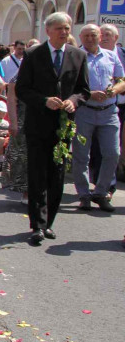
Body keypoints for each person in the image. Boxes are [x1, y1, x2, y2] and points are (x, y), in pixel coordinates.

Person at [15, 12, 90, 245]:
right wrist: (43, 100)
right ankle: (37, 225)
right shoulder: (33, 54)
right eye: (59, 28)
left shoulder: (78, 55)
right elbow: (22, 89)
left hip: (62, 126)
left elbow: (83, 90)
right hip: (38, 123)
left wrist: (73, 101)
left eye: (67, 28)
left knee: (56, 175)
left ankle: (49, 223)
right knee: (38, 174)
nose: (64, 32)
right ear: (47, 31)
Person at [72, 24, 124, 212]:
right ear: (80, 37)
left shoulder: (110, 55)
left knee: (112, 153)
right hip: (85, 110)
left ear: (99, 36)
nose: (90, 39)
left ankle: (101, 192)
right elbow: (68, 85)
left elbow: (121, 79)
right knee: (81, 155)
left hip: (109, 111)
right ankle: (84, 194)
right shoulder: (76, 56)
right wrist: (89, 93)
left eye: (93, 35)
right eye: (85, 36)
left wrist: (114, 90)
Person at [93, 24, 125, 196]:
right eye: (101, 34)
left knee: (113, 148)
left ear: (116, 38)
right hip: (96, 106)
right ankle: (99, 181)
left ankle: (108, 185)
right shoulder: (89, 55)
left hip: (120, 105)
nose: (104, 37)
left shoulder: (122, 55)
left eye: (108, 34)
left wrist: (117, 88)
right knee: (97, 147)